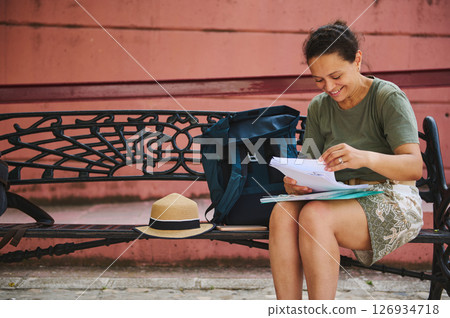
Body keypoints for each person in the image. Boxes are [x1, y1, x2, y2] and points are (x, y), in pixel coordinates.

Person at [269, 21, 424, 300]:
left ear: (358, 60)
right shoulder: (319, 106)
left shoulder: (387, 97)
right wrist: (296, 183)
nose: (329, 87)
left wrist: (363, 157)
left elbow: (413, 167)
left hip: (391, 196)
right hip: (339, 196)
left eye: (336, 75)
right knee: (283, 212)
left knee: (315, 216)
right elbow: (310, 163)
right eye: (319, 80)